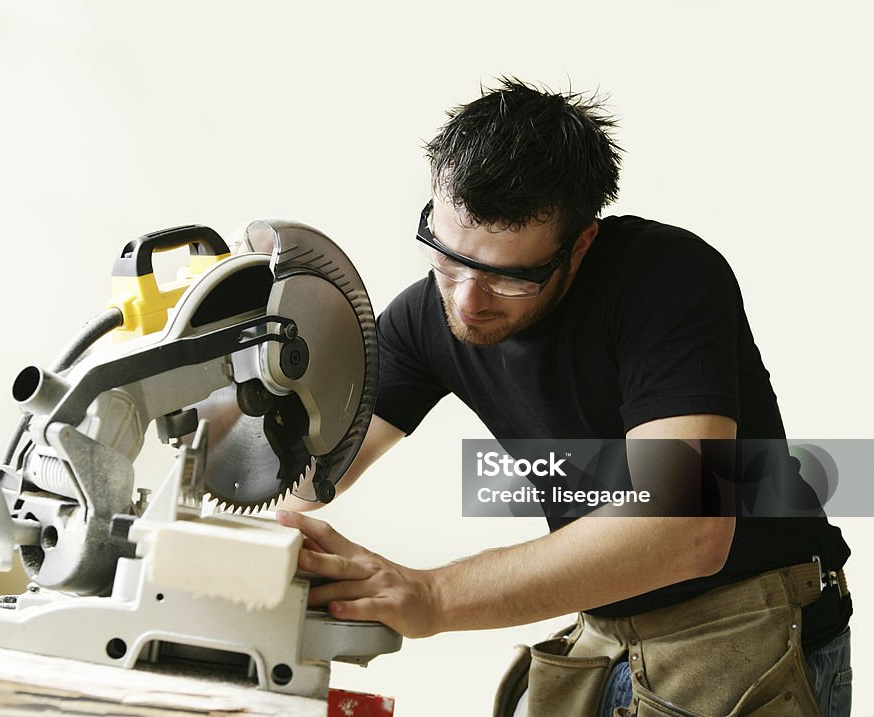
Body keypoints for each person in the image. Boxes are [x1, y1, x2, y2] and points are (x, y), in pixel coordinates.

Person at [276, 78, 852, 716]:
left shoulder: (668, 279)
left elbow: (685, 528)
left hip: (745, 633)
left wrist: (434, 597)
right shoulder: (427, 316)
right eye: (447, 258)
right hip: (605, 635)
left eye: (508, 278)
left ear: (579, 246)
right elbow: (300, 474)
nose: (466, 300)